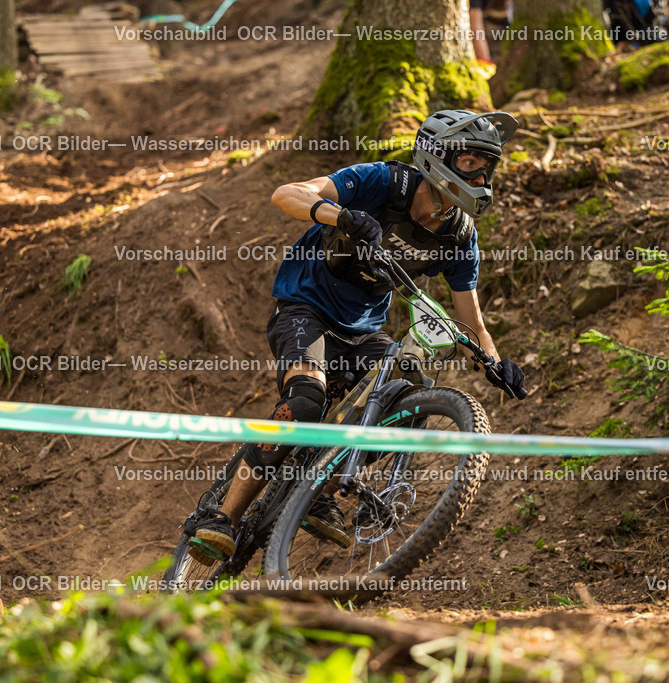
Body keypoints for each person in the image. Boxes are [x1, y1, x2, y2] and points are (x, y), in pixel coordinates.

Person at [188, 109, 527, 564]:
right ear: (435, 157)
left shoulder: (460, 236)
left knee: (402, 394)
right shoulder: (384, 183)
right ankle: (221, 518)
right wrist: (342, 216)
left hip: (362, 330)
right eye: (470, 162)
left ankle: (320, 488)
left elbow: (473, 324)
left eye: (488, 165)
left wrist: (495, 363)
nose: (482, 174)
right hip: (305, 308)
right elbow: (287, 194)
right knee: (306, 400)